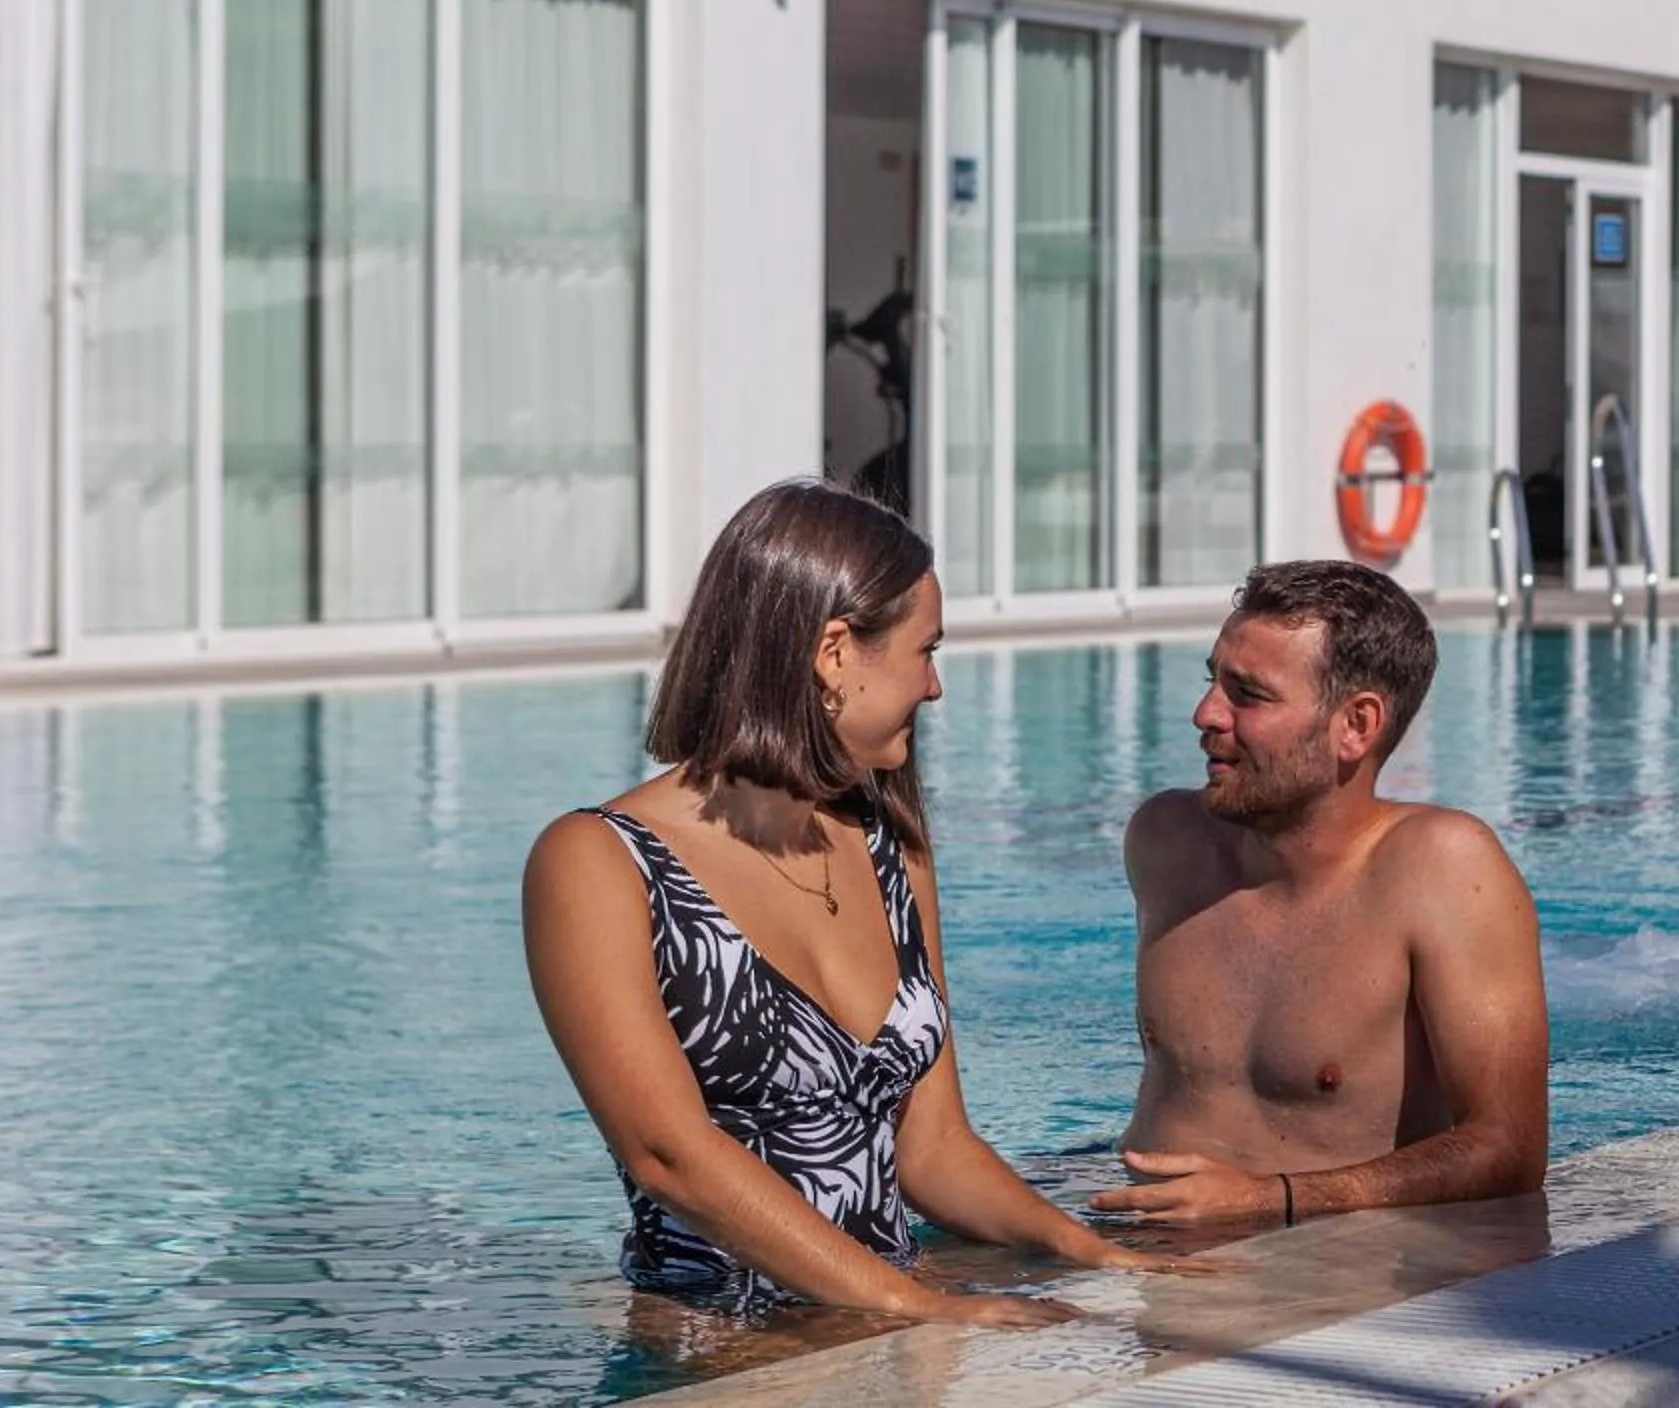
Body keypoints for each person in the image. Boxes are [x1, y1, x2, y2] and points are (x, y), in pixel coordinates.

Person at [523, 478, 1198, 1323]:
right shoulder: (599, 862)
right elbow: (668, 1156)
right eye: (926, 651)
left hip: (886, 1313)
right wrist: (917, 1306)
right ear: (834, 652)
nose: (934, 687)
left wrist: (1091, 1253)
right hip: (723, 1343)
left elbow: (934, 1147)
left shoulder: (889, 847)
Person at [1094, 561, 1550, 1228]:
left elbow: (1509, 1150)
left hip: (1323, 1261)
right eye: (1212, 681)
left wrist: (1270, 1199)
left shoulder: (1442, 871)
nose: (1206, 714)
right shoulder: (1166, 843)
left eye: (1248, 695)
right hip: (1136, 1248)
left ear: (1356, 725)